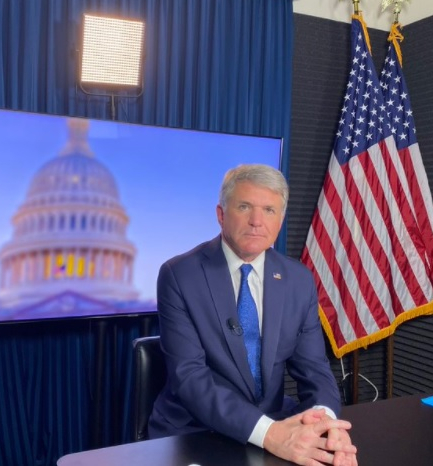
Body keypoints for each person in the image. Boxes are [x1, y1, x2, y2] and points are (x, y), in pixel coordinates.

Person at [148, 164, 358, 466]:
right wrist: (271, 435)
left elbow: (314, 369)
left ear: (281, 219)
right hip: (194, 431)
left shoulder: (298, 280)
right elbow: (190, 378)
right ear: (221, 214)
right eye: (244, 207)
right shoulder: (180, 275)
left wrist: (325, 424)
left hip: (274, 424)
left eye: (269, 210)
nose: (257, 221)